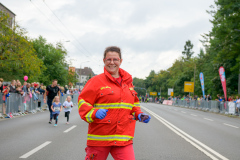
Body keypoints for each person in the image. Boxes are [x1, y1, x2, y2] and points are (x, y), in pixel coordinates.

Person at [78, 46, 151, 160]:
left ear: (120, 61)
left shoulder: (128, 83)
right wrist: (93, 112)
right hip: (100, 139)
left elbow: (133, 105)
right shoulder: (96, 81)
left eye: (115, 59)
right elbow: (83, 102)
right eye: (109, 59)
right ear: (104, 61)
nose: (112, 62)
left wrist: (139, 114)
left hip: (123, 139)